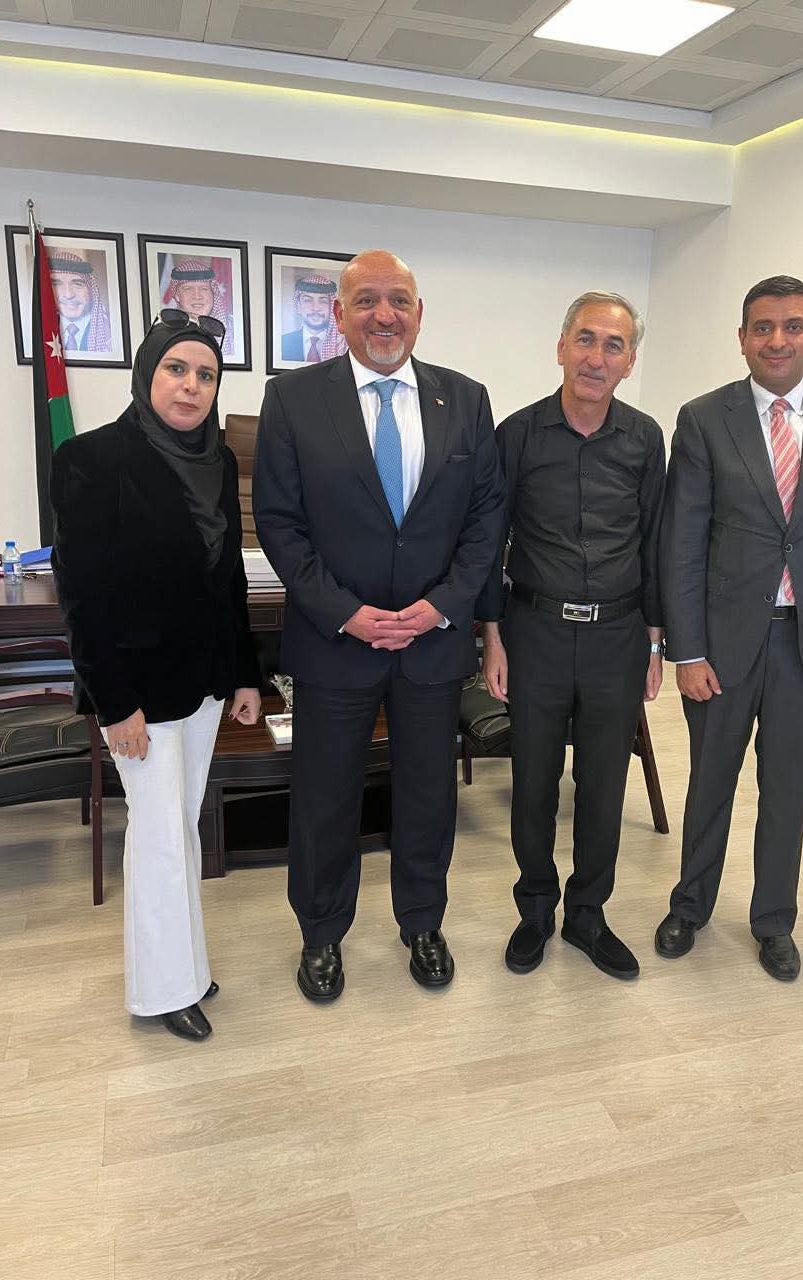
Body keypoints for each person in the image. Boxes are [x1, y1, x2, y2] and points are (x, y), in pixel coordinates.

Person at [253, 249, 505, 1001]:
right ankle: (321, 933)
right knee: (325, 797)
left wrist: (444, 604)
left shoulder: (466, 399)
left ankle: (423, 923)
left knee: (428, 795)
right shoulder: (294, 399)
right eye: (366, 300)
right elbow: (279, 523)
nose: (384, 314)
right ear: (339, 315)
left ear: (420, 314)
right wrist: (347, 614)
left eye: (399, 300)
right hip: (335, 644)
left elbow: (486, 519)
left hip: (433, 643)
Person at [655, 275, 803, 981]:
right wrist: (686, 650)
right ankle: (690, 907)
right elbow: (682, 543)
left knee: (787, 792)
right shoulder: (704, 418)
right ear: (742, 339)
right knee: (710, 783)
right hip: (722, 645)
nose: (777, 340)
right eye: (762, 327)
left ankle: (774, 921)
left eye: (792, 326)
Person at [51, 310, 262, 1040]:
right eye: (177, 368)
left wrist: (245, 675)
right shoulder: (90, 459)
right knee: (159, 835)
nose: (191, 385)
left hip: (202, 685)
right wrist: (114, 705)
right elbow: (82, 597)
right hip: (136, 695)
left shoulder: (219, 462)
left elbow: (227, 580)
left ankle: (186, 967)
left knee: (181, 826)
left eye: (206, 374)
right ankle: (163, 990)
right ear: (147, 374)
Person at [480, 291, 666, 980]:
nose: (596, 357)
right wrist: (492, 637)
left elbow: (654, 542)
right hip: (535, 632)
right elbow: (489, 542)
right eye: (585, 339)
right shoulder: (517, 434)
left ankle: (588, 913)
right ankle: (535, 909)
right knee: (533, 781)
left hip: (619, 637)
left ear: (630, 361)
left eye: (613, 345)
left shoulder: (645, 438)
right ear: (561, 347)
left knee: (603, 783)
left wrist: (655, 642)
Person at [167, 259, 235, 357]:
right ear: (177, 296)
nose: (197, 296)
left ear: (213, 293)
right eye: (188, 289)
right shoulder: (168, 330)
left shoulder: (232, 329)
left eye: (204, 289)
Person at [48, 250, 112, 353]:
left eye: (78, 284)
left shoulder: (111, 333)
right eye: (56, 284)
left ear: (91, 289)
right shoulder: (41, 330)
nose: (68, 295)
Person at [280, 272, 348, 363]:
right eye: (308, 300)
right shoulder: (283, 343)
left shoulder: (344, 345)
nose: (315, 308)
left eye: (323, 301)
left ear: (332, 306)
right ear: (298, 306)